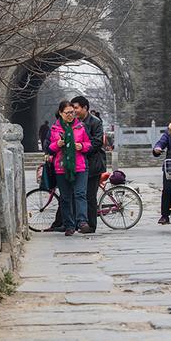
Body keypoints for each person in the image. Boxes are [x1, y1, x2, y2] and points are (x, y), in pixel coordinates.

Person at [48, 100, 92, 236]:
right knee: (66, 197)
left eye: (72, 112)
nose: (70, 115)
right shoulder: (55, 129)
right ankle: (69, 225)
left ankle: (82, 222)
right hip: (61, 167)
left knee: (80, 194)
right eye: (67, 113)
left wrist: (82, 146)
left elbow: (89, 144)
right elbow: (49, 147)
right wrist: (57, 144)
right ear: (60, 113)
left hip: (79, 166)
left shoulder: (80, 127)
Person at [71, 96, 107, 233]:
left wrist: (83, 146)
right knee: (79, 194)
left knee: (90, 195)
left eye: (76, 108)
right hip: (79, 163)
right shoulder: (74, 122)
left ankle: (91, 225)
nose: (74, 111)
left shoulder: (95, 122)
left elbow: (98, 142)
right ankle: (78, 222)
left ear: (85, 108)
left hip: (93, 164)